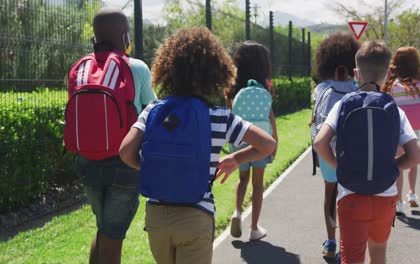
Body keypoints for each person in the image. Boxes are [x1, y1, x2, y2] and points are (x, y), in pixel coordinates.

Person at [119, 27, 276, 264]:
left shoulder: (153, 110)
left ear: (167, 69)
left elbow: (126, 152)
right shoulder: (220, 117)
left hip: (157, 217)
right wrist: (237, 159)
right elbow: (267, 144)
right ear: (215, 72)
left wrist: (155, 166)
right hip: (196, 215)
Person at [314, 41, 420, 264]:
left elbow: (320, 143)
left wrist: (338, 166)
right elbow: (417, 156)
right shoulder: (395, 109)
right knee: (378, 252)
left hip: (351, 195)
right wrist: (394, 166)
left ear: (356, 73)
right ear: (389, 73)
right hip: (386, 196)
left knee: (352, 258)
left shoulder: (343, 104)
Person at [65, 8, 156, 264]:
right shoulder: (136, 67)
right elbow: (153, 109)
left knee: (104, 227)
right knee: (113, 236)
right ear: (126, 36)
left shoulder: (79, 70)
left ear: (94, 35)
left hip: (85, 162)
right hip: (124, 163)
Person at [309, 33, 360, 258]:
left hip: (327, 151)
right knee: (351, 196)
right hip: (353, 152)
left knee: (330, 194)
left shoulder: (321, 89)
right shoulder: (359, 87)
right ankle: (348, 244)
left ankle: (331, 242)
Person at [223, 41, 278, 241]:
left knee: (243, 179)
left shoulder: (233, 85)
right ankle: (254, 228)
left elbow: (231, 112)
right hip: (262, 139)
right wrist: (274, 139)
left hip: (240, 138)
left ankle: (237, 212)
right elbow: (270, 114)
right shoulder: (265, 85)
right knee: (257, 184)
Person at [382, 47, 420, 215]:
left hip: (399, 130)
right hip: (416, 128)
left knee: (399, 163)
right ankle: (412, 193)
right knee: (413, 160)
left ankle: (398, 202)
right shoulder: (419, 85)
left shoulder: (394, 86)